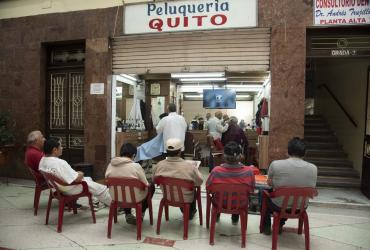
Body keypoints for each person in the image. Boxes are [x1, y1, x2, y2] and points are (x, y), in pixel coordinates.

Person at [261, 137, 317, 235]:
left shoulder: (276, 164)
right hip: (301, 207)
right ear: (305, 153)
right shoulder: (313, 168)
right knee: (289, 198)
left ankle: (266, 226)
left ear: (288, 151)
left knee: (265, 194)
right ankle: (280, 224)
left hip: (279, 206)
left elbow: (269, 183)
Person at [39, 137, 112, 206]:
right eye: (60, 146)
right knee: (101, 189)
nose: (62, 148)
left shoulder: (43, 160)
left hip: (59, 188)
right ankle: (114, 204)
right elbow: (77, 179)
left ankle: (95, 201)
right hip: (69, 189)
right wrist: (80, 173)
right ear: (54, 150)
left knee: (89, 179)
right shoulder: (60, 163)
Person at [153, 138, 203, 219]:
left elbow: (154, 180)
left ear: (166, 151)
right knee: (193, 189)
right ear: (180, 151)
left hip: (167, 197)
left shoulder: (159, 165)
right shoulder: (190, 166)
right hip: (185, 199)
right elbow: (199, 182)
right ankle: (190, 213)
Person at [206, 142, 255, 225]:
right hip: (240, 204)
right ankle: (235, 218)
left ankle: (217, 215)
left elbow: (208, 187)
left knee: (218, 194)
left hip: (219, 203)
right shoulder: (249, 172)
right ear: (240, 156)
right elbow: (252, 189)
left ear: (224, 156)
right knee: (238, 196)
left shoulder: (216, 171)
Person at [105, 143, 153, 225]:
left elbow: (107, 181)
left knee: (124, 190)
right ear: (134, 155)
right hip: (134, 198)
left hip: (115, 197)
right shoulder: (136, 166)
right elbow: (146, 184)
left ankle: (128, 214)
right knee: (151, 187)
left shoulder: (111, 164)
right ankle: (140, 214)